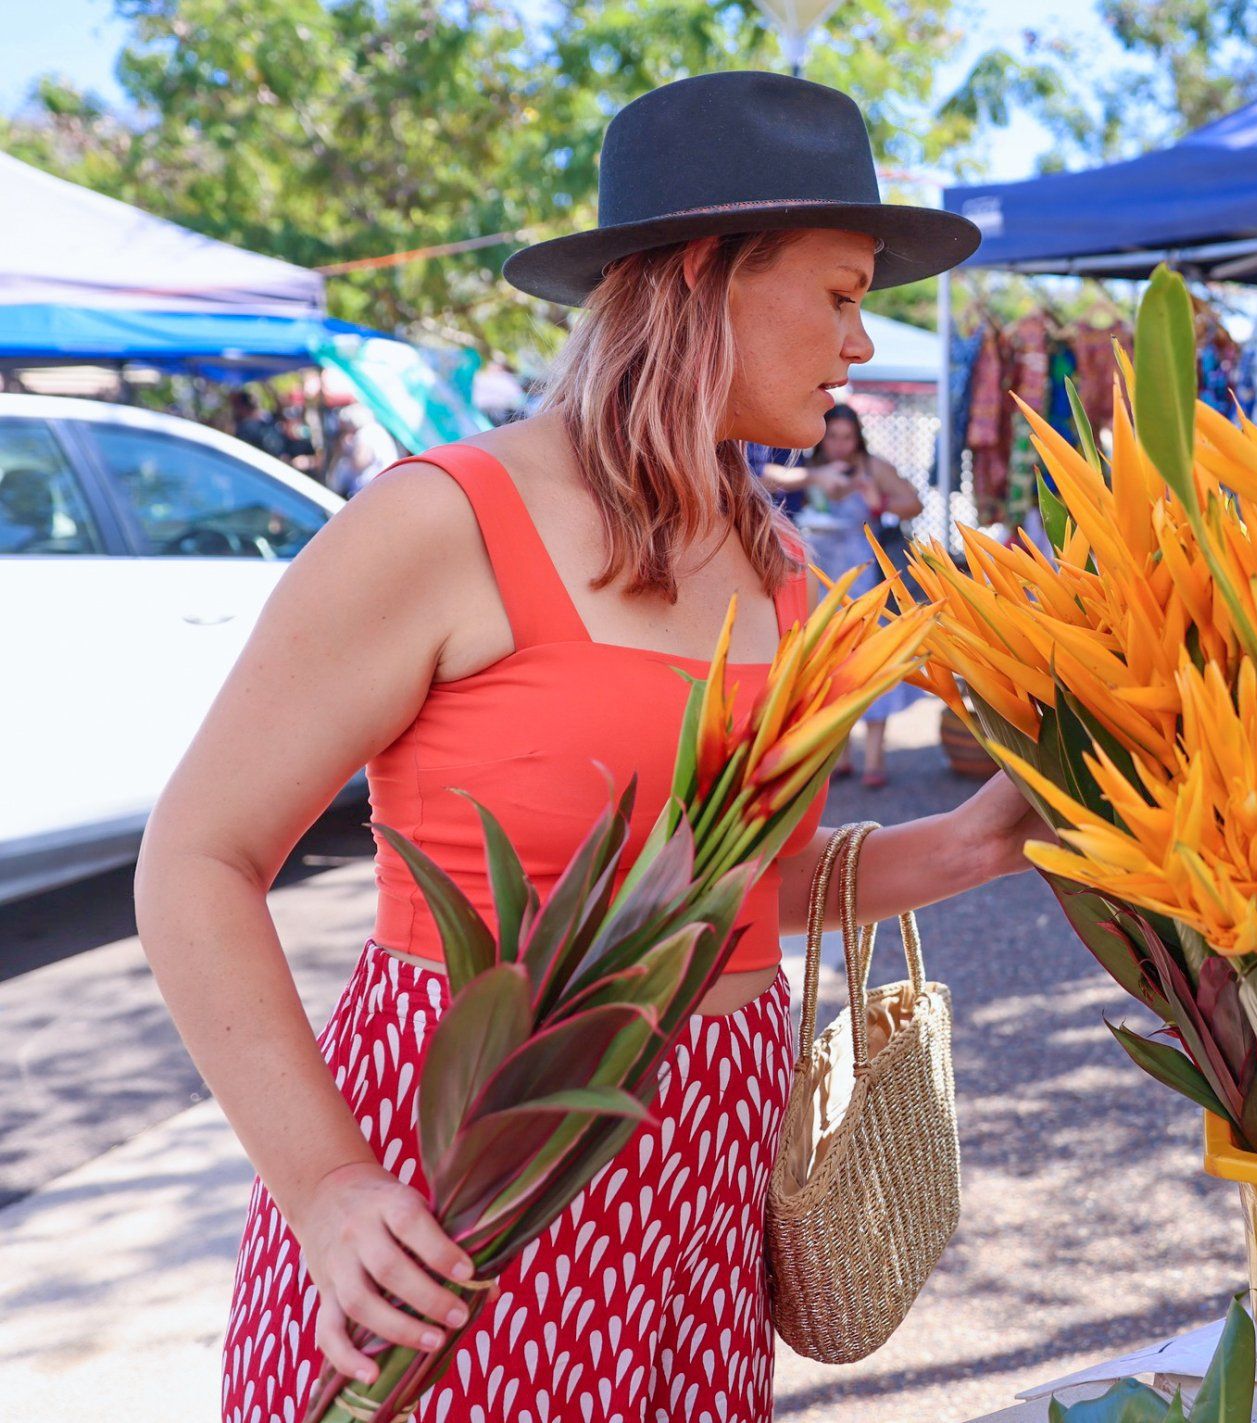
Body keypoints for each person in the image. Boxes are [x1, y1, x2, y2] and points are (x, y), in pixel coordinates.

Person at [133, 72, 1026, 1423]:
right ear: (706, 274)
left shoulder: (781, 571)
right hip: (473, 1180)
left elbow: (734, 894)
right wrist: (325, 1184)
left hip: (706, 1206)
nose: (860, 341)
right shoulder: (445, 521)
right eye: (840, 294)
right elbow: (196, 858)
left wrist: (972, 843)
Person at [799, 403, 926, 786]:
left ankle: (874, 757)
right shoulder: (805, 469)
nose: (839, 445)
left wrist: (879, 500)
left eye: (846, 437)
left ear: (857, 438)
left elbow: (914, 502)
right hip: (818, 576)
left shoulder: (873, 467)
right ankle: (838, 755)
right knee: (825, 663)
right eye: (832, 436)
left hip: (863, 575)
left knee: (870, 660)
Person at [325, 403, 402, 497]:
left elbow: (360, 461)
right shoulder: (376, 430)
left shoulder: (366, 432)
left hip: (370, 491)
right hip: (379, 489)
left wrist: (346, 451)